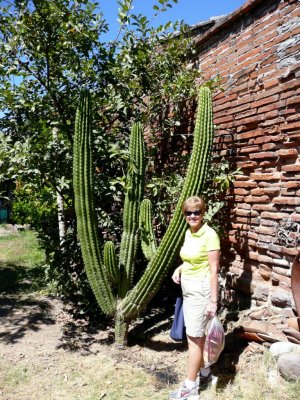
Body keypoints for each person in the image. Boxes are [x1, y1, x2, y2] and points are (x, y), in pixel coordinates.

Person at [169, 196, 220, 400]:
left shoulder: (210, 235)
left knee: (195, 340)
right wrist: (179, 268)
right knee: (198, 336)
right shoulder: (189, 233)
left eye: (196, 212)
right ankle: (205, 374)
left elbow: (214, 270)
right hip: (188, 290)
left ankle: (190, 388)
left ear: (203, 213)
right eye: (188, 213)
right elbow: (191, 259)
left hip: (201, 291)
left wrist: (213, 301)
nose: (192, 216)